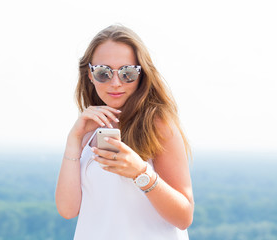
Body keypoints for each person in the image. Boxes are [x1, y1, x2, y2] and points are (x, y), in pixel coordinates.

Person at [55, 25, 194, 240]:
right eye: (103, 73)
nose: (116, 83)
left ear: (141, 75)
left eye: (127, 73)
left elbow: (184, 216)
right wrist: (74, 140)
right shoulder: (89, 129)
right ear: (90, 75)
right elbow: (67, 209)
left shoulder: (158, 124)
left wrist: (140, 172)